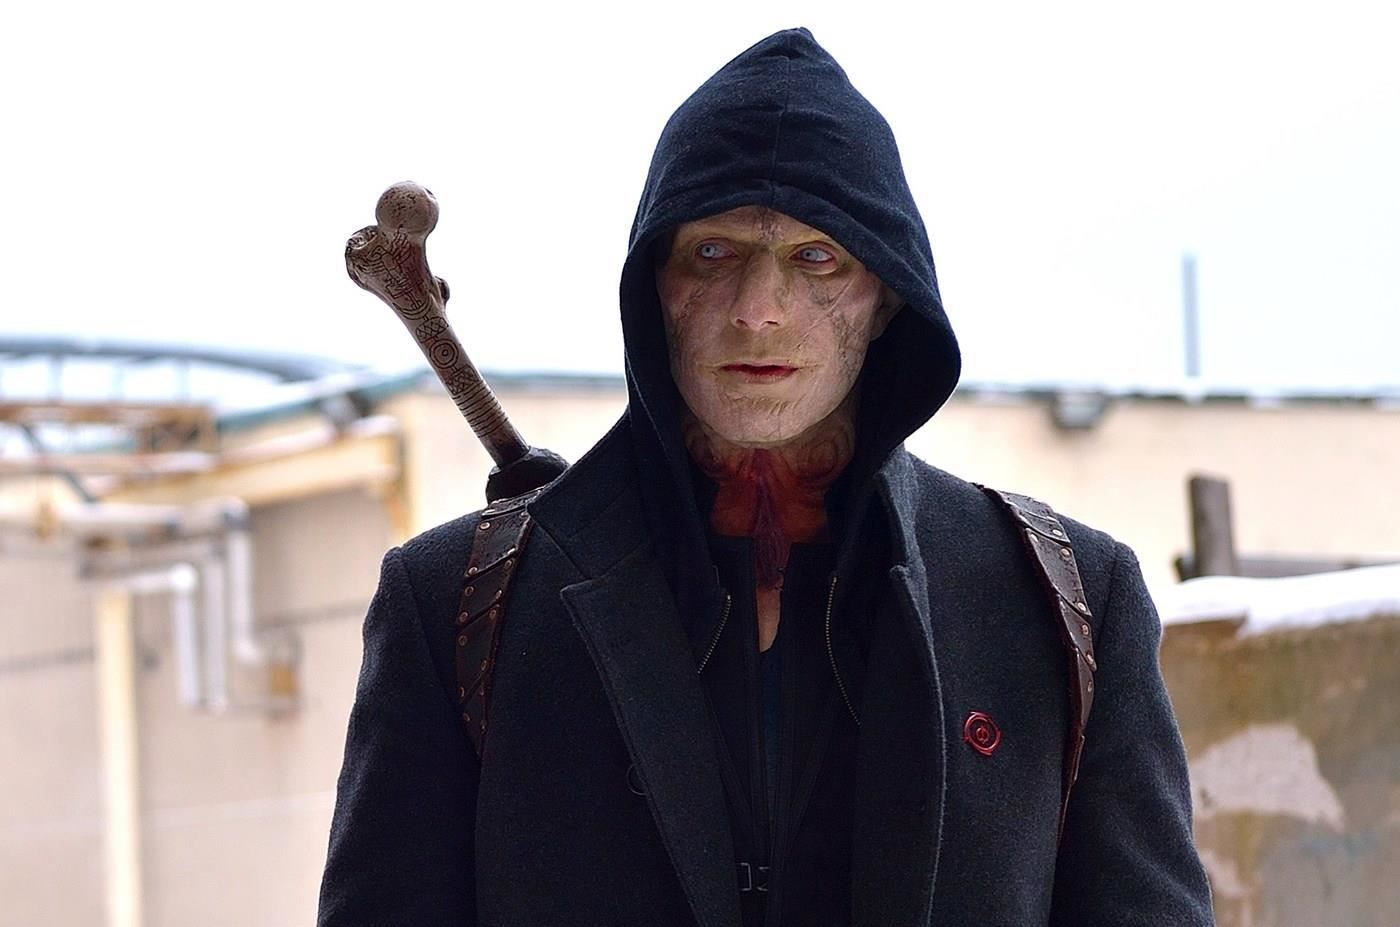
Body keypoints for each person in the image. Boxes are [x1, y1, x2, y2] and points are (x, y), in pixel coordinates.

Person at [317, 27, 1215, 927]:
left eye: (816, 257)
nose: (757, 310)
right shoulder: (457, 609)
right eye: (713, 253)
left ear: (886, 293)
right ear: (655, 283)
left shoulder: (1061, 605)